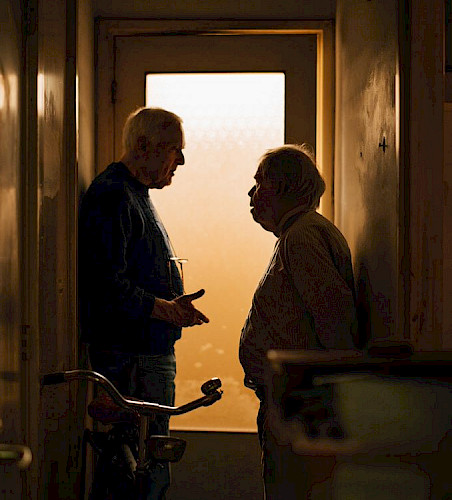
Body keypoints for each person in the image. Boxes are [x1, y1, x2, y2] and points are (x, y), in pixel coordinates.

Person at [79, 107, 209, 499]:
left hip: (141, 358)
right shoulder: (113, 195)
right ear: (142, 145)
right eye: (174, 150)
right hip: (132, 360)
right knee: (141, 474)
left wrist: (169, 304)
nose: (180, 161)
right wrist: (167, 309)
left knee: (143, 470)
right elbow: (106, 285)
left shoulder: (133, 193)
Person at [239, 144, 357, 499]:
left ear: (282, 186)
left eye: (259, 182)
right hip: (295, 400)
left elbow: (334, 322)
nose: (251, 193)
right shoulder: (297, 234)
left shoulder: (303, 236)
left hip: (302, 404)